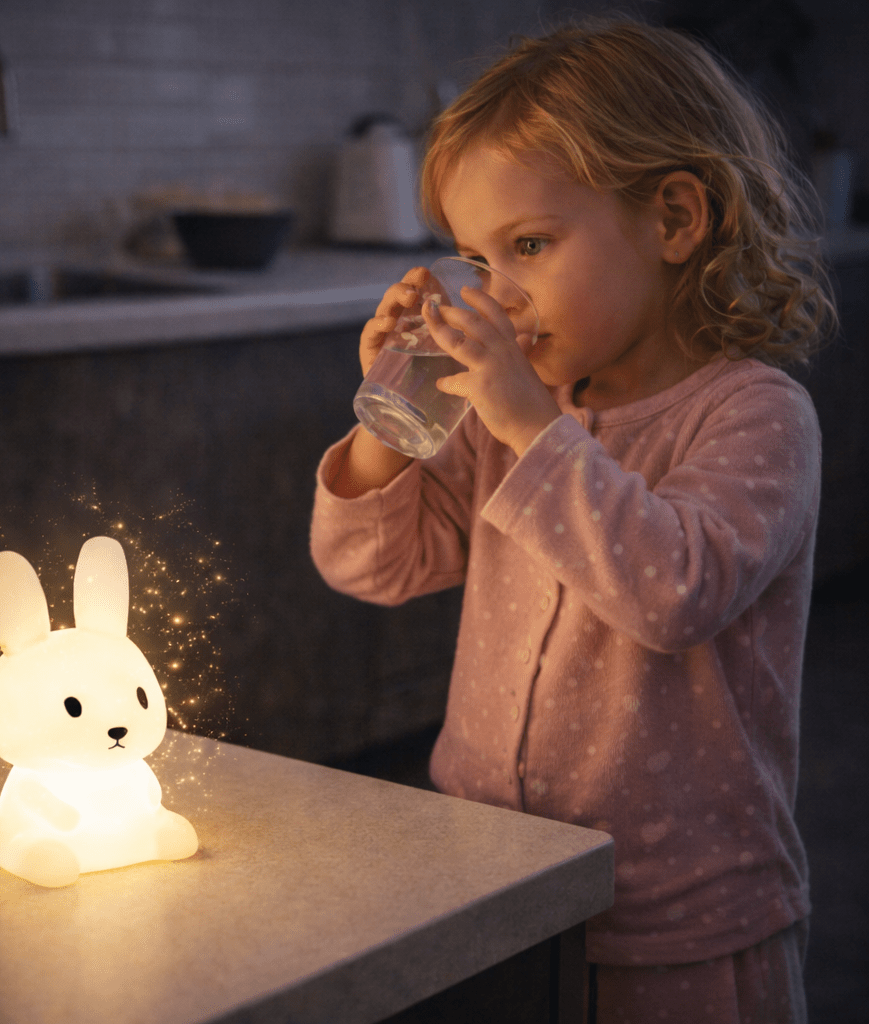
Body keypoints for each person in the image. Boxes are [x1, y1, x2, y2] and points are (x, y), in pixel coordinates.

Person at [310, 17, 837, 1024]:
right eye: (474, 256)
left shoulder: (754, 415)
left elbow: (672, 589)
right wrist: (390, 412)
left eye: (530, 246)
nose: (494, 294)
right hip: (496, 887)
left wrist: (520, 415)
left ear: (673, 219)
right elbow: (372, 565)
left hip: (684, 920)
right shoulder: (515, 402)